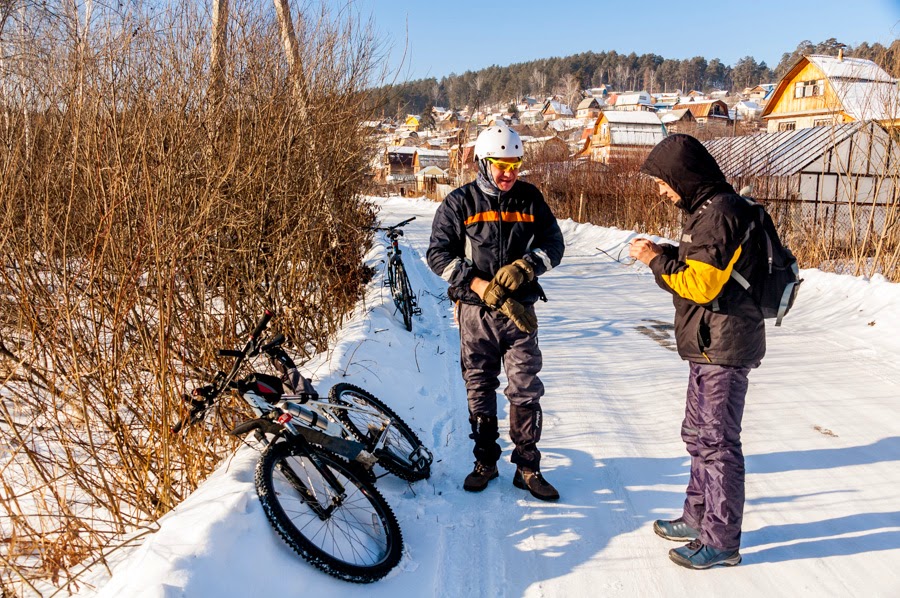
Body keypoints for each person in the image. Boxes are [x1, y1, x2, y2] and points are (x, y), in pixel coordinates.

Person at [629, 134, 765, 569]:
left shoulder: (721, 213)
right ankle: (697, 517)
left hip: (723, 347)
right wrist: (667, 253)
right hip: (708, 345)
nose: (662, 191)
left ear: (683, 176)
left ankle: (722, 540)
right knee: (697, 436)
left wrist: (654, 260)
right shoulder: (705, 211)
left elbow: (700, 284)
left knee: (718, 444)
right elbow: (703, 265)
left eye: (664, 182)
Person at [427, 124, 565, 501]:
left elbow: (555, 244)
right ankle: (485, 461)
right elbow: (437, 255)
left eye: (515, 165)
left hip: (520, 311)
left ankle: (527, 467)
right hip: (475, 313)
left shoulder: (530, 199)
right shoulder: (460, 203)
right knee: (480, 386)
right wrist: (477, 285)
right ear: (484, 163)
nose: (510, 174)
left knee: (524, 388)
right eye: (502, 165)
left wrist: (527, 266)